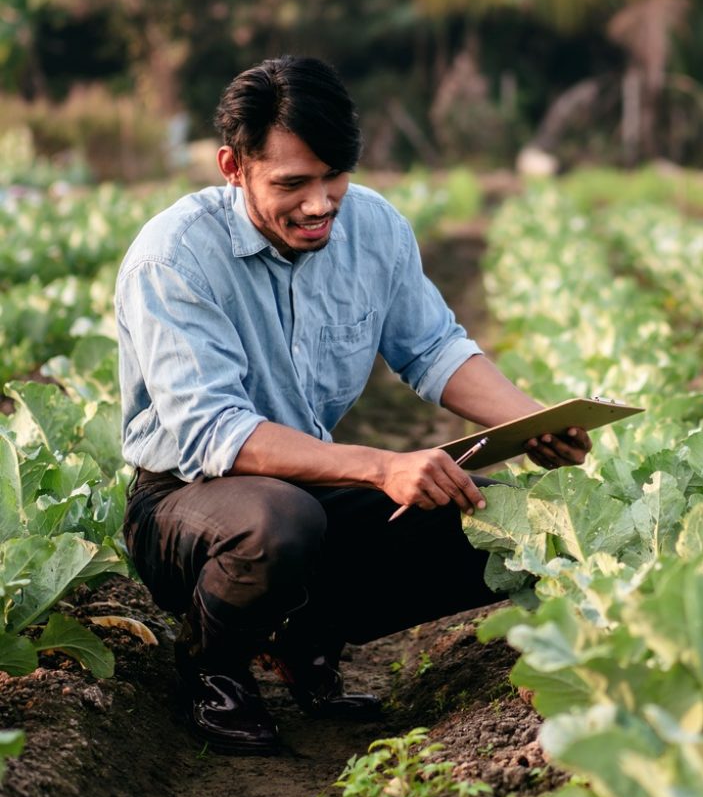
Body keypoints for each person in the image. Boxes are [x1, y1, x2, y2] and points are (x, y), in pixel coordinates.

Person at [115, 55, 591, 756]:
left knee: (511, 530)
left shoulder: (373, 229)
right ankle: (212, 670)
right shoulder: (175, 259)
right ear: (232, 167)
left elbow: (432, 348)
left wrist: (531, 421)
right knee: (280, 522)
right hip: (189, 507)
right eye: (292, 183)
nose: (320, 203)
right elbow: (215, 433)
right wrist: (380, 466)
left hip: (310, 486)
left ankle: (304, 635)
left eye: (334, 176)